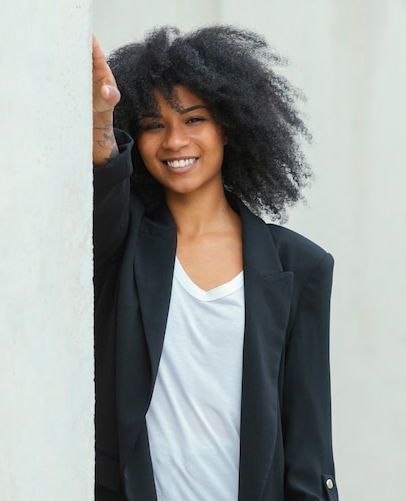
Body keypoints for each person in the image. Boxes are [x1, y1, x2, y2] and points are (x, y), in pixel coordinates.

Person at [92, 26, 338, 501]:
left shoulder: (299, 266)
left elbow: (309, 446)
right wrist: (103, 123)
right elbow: (100, 208)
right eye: (153, 124)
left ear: (228, 125)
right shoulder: (124, 244)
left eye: (193, 119)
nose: (174, 141)